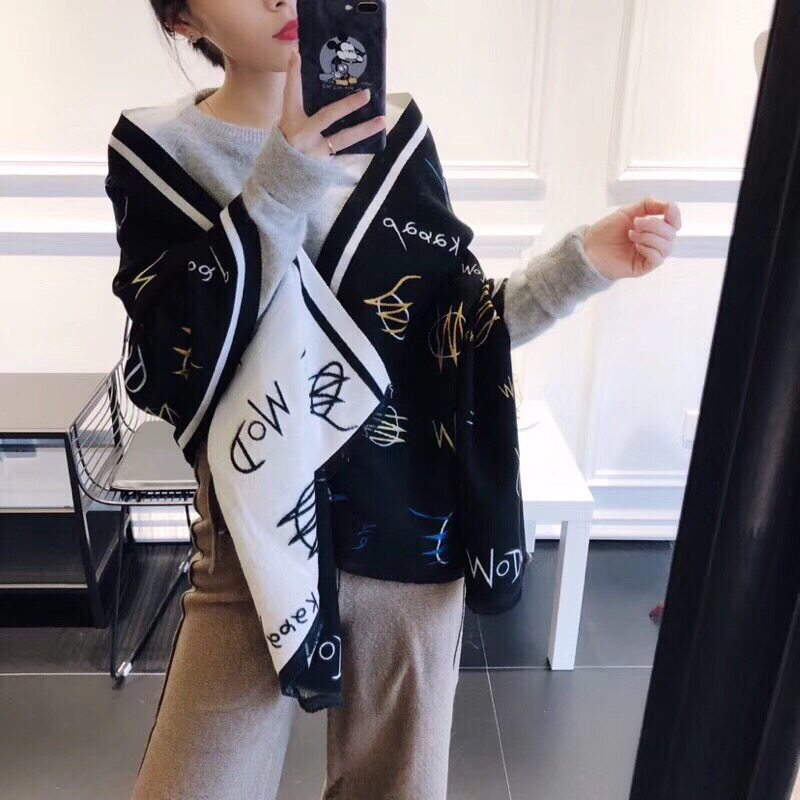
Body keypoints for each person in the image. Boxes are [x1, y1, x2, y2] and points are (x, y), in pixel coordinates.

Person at [120, 2, 681, 797]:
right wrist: (282, 181)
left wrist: (582, 265)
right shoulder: (160, 153)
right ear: (183, 19)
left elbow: (453, 339)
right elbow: (169, 361)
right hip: (254, 547)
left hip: (409, 533)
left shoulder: (395, 134)